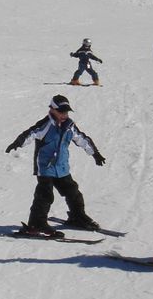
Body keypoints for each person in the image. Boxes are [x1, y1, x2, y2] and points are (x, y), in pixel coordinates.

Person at [6, 95, 106, 237]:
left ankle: (77, 216)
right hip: (45, 168)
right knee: (44, 195)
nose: (64, 115)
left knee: (73, 192)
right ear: (52, 110)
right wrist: (18, 142)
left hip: (62, 167)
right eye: (61, 111)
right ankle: (36, 223)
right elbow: (31, 133)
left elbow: (82, 139)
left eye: (66, 112)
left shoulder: (69, 126)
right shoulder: (45, 125)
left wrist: (95, 154)